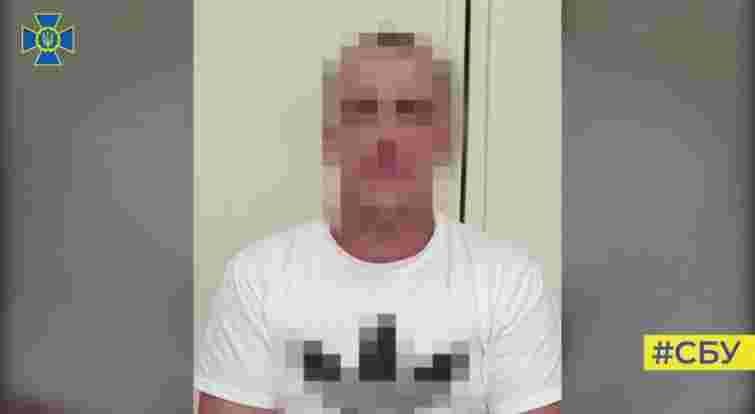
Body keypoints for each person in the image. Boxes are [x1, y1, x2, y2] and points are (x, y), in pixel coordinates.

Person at [196, 32, 561, 414]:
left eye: (410, 111)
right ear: (330, 136)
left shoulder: (509, 283)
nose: (387, 136)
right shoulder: (258, 279)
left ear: (444, 139)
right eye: (363, 111)